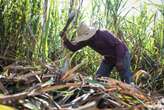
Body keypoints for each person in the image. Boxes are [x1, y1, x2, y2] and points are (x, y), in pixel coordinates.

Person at [60, 23, 132, 84]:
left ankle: (131, 94)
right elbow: (74, 48)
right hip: (108, 58)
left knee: (126, 78)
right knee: (99, 78)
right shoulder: (87, 41)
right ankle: (102, 96)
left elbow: (118, 45)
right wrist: (65, 39)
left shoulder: (103, 34)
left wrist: (119, 60)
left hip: (121, 54)